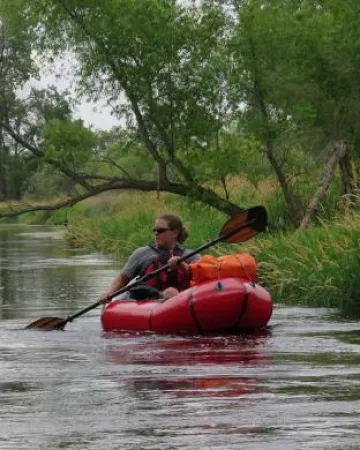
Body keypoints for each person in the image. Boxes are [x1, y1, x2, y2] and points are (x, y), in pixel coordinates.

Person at [100, 213, 200, 303]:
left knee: (172, 292)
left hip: (184, 301)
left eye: (160, 230)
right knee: (169, 292)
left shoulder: (190, 256)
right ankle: (163, 296)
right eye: (154, 230)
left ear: (175, 232)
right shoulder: (142, 253)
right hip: (149, 301)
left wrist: (182, 265)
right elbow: (123, 277)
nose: (156, 233)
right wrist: (109, 293)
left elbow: (199, 276)